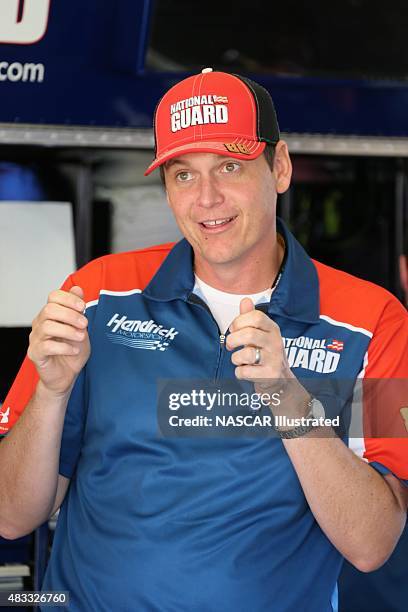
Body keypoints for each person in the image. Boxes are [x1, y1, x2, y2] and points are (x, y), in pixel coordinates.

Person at [0, 69, 407, 612]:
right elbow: (12, 514)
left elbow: (372, 544)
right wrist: (49, 395)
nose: (206, 198)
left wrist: (289, 401)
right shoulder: (95, 295)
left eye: (230, 166)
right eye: (183, 175)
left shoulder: (371, 319)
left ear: (279, 167)